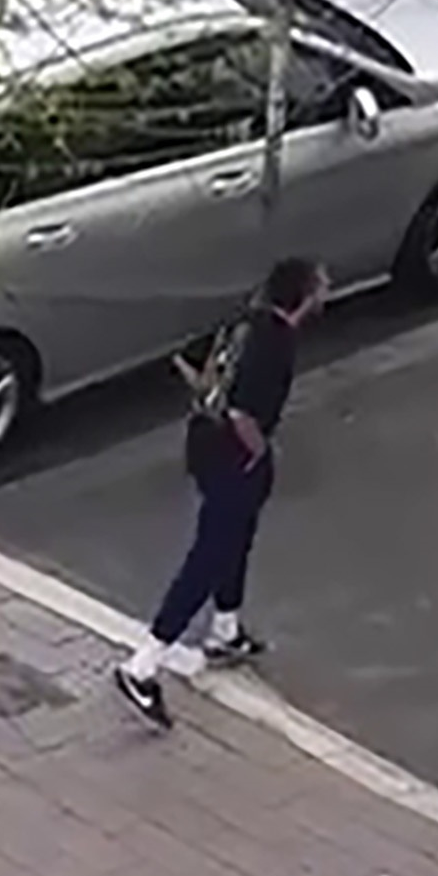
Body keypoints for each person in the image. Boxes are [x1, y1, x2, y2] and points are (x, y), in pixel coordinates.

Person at [114, 256, 329, 729]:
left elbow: (190, 362)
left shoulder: (243, 322)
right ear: (304, 298)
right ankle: (143, 665)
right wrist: (257, 453)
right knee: (210, 555)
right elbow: (246, 414)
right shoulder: (277, 345)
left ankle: (225, 629)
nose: (325, 292)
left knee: (236, 536)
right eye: (320, 286)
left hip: (202, 444)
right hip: (235, 458)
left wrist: (210, 401)